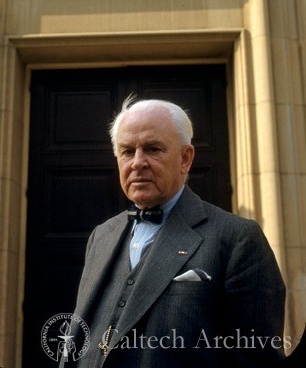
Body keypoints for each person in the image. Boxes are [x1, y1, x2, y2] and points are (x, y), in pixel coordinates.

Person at [61, 97, 286, 368]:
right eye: (127, 151)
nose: (137, 163)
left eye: (152, 149)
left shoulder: (237, 239)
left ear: (185, 158)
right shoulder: (102, 235)